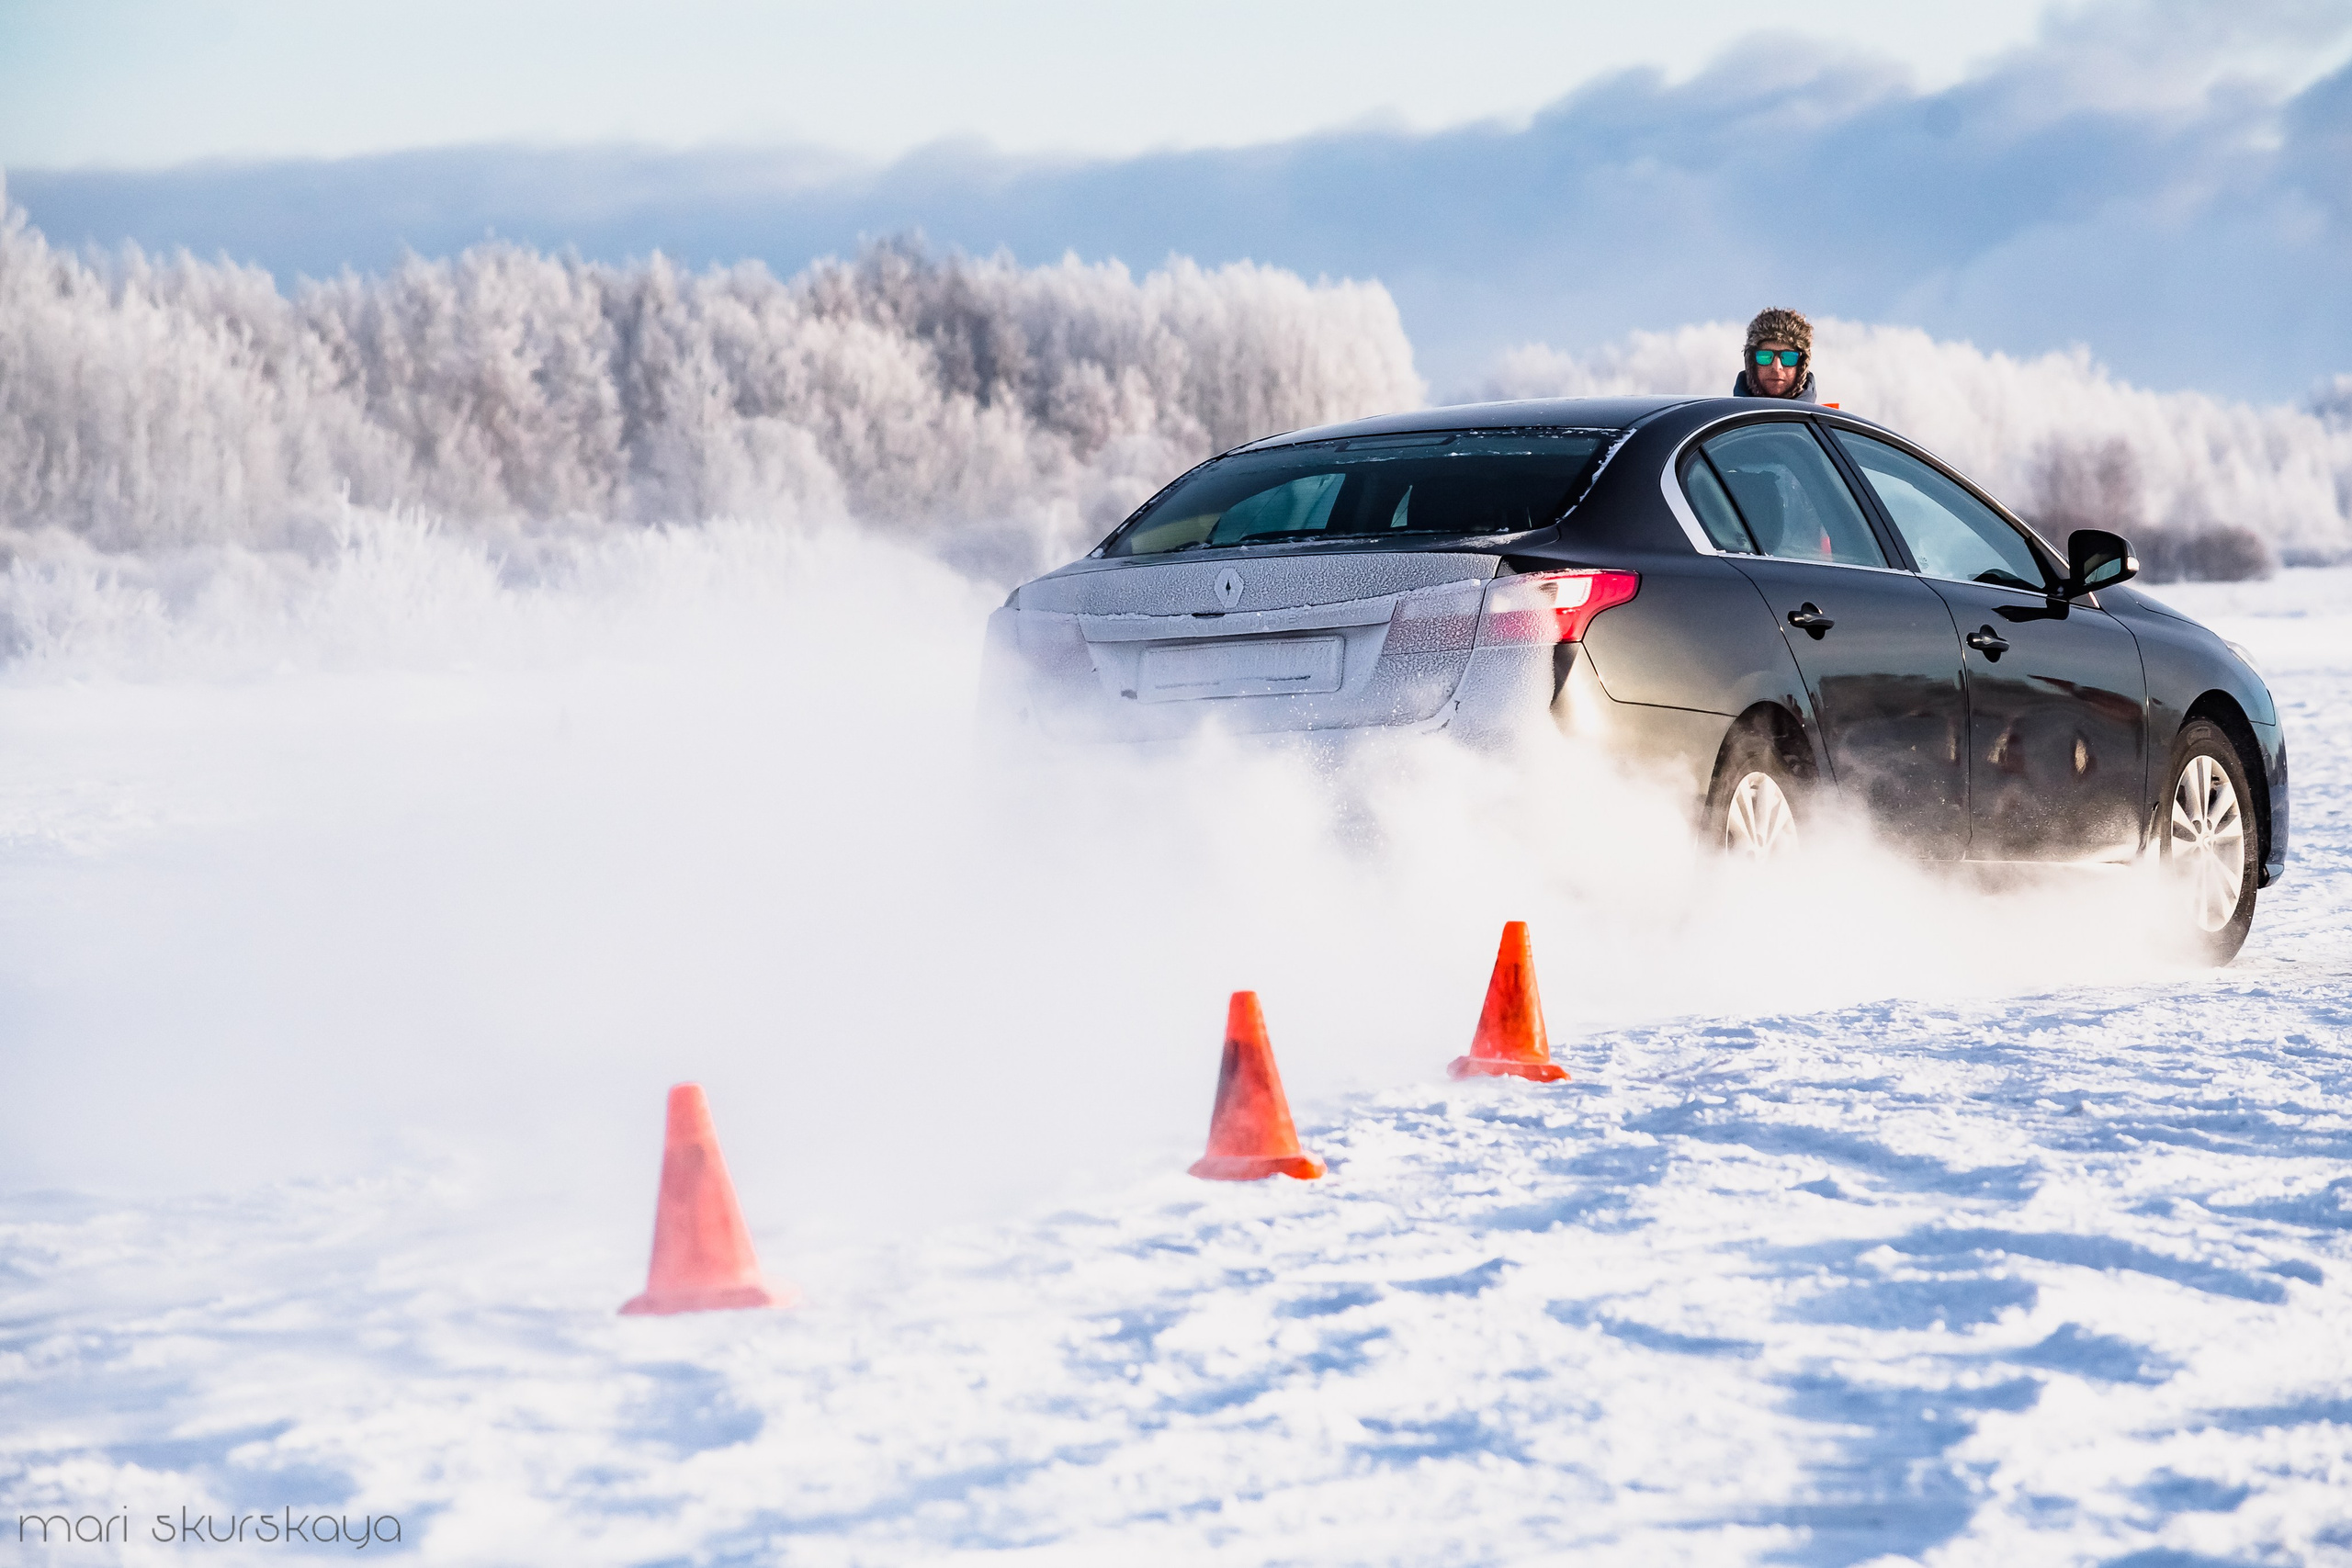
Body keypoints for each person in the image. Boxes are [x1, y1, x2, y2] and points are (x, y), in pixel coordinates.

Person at [1734, 307, 1817, 401]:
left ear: (1801, 365)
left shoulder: (1823, 416)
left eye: (1788, 357)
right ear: (1752, 363)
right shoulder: (1722, 414)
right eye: (1765, 356)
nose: (1776, 367)